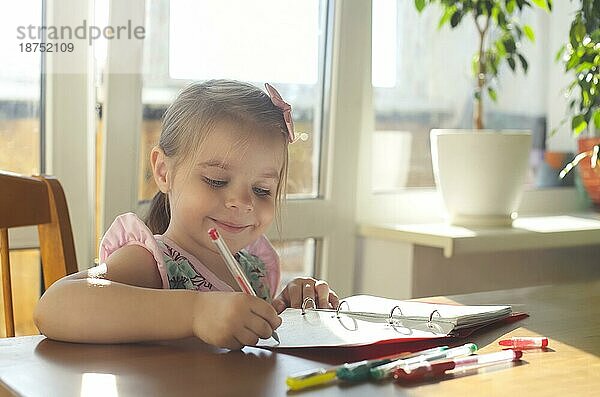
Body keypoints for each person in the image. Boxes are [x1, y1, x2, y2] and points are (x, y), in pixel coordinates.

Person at [34, 80, 339, 349]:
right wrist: (195, 313)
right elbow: (54, 306)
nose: (242, 202)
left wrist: (285, 308)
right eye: (216, 181)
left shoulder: (254, 271)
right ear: (164, 171)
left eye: (262, 190)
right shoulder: (151, 262)